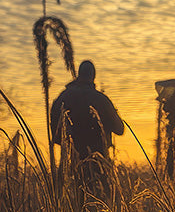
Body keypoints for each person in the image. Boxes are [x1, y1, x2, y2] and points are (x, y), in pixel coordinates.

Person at [50, 60, 124, 193]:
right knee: (101, 205)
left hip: (69, 165)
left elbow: (55, 136)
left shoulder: (62, 98)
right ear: (93, 76)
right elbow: (120, 129)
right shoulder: (101, 99)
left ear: (79, 74)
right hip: (98, 166)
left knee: (68, 205)